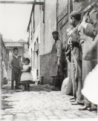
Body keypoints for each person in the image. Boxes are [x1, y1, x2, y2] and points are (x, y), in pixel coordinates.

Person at [78, 5, 98, 110]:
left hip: (91, 48)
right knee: (85, 76)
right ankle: (87, 103)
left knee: (91, 77)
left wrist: (84, 25)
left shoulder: (94, 11)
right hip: (85, 48)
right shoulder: (86, 12)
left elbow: (95, 31)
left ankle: (93, 104)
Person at [68, 11, 83, 105]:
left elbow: (81, 39)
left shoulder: (80, 27)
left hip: (78, 53)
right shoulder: (75, 28)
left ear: (73, 19)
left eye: (71, 19)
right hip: (74, 53)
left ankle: (80, 98)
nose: (70, 21)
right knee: (75, 76)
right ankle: (77, 96)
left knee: (79, 75)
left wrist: (72, 37)